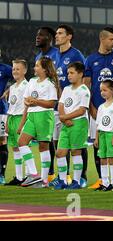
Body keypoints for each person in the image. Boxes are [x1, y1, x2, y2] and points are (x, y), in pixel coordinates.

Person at [84, 27, 113, 189]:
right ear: (102, 39)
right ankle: (102, 180)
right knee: (98, 144)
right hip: (97, 108)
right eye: (111, 39)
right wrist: (90, 108)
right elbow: (86, 86)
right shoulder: (90, 59)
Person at [50, 24, 87, 188]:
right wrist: (63, 115)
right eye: (56, 33)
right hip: (62, 111)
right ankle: (62, 177)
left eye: (60, 33)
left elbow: (83, 80)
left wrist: (65, 116)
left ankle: (80, 178)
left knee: (77, 149)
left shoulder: (76, 55)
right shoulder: (54, 55)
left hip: (76, 116)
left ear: (69, 36)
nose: (56, 36)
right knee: (59, 147)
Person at [19, 57, 59, 187]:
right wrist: (28, 102)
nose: (34, 68)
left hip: (44, 116)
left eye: (37, 66)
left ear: (44, 69)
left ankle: (44, 180)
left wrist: (35, 101)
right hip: (32, 115)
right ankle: (34, 174)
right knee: (22, 142)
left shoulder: (50, 84)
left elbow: (52, 103)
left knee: (43, 146)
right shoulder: (31, 81)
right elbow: (25, 99)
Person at [54, 62, 90, 190]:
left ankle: (76, 181)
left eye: (72, 73)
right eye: (68, 73)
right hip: (66, 123)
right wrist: (64, 119)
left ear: (80, 74)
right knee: (60, 153)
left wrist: (65, 117)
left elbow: (82, 110)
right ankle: (63, 181)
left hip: (79, 123)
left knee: (75, 152)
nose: (69, 75)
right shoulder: (67, 89)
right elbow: (61, 105)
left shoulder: (84, 90)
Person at [34, 27, 60, 184]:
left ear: (50, 38)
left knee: (63, 142)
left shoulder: (57, 54)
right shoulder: (39, 56)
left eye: (41, 35)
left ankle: (71, 176)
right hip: (45, 107)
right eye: (37, 35)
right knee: (48, 141)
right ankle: (49, 174)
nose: (37, 37)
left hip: (59, 103)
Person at [93, 80, 113, 191]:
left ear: (112, 90)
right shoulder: (101, 107)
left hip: (111, 134)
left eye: (105, 90)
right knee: (102, 159)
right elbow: (98, 123)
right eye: (101, 90)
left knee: (111, 159)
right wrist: (96, 138)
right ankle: (105, 183)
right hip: (102, 135)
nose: (102, 92)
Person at [4, 59, 27, 185]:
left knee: (23, 147)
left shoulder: (26, 86)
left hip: (20, 118)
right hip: (12, 118)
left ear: (24, 71)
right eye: (13, 69)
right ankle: (18, 177)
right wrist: (7, 123)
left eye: (18, 69)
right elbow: (10, 107)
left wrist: (23, 123)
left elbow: (27, 107)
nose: (15, 71)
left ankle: (29, 176)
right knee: (15, 149)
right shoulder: (12, 87)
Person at [0, 52, 12, 185]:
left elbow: (19, 77)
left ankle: (1, 174)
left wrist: (8, 91)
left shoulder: (5, 69)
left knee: (2, 141)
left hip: (1, 111)